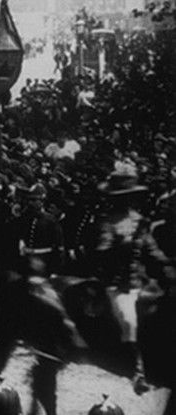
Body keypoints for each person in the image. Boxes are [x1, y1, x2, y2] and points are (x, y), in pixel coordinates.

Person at [94, 166, 172, 394]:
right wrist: (122, 244)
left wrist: (167, 265)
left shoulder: (140, 221)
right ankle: (137, 371)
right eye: (121, 198)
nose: (125, 202)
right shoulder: (106, 222)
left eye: (128, 198)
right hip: (117, 284)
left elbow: (151, 250)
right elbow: (102, 252)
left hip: (142, 281)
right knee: (129, 320)